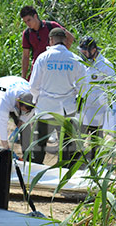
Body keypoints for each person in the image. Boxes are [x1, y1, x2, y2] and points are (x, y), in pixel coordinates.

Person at [28, 27, 86, 165]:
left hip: (45, 109)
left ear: (51, 40)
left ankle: (34, 174)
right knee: (66, 146)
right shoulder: (75, 59)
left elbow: (33, 86)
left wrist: (36, 99)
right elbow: (83, 87)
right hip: (66, 110)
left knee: (39, 145)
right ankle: (64, 176)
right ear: (65, 40)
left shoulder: (43, 58)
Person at [77, 36, 116, 161]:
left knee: (96, 139)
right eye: (82, 52)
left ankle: (96, 163)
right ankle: (78, 163)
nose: (84, 55)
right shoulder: (82, 65)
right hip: (83, 108)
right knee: (78, 138)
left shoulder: (105, 66)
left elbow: (114, 89)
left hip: (98, 109)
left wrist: (115, 114)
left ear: (94, 50)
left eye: (85, 52)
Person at [0, 76, 36, 160]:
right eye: (21, 109)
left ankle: (27, 157)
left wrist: (22, 122)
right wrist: (6, 147)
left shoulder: (33, 97)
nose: (22, 112)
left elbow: (31, 112)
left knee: (25, 129)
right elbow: (2, 122)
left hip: (15, 93)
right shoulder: (5, 98)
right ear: (18, 101)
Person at [20, 6, 75, 80]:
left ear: (35, 16)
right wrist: (23, 77)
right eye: (25, 22)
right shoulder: (27, 33)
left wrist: (62, 54)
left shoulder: (51, 26)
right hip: (37, 69)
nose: (27, 23)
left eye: (29, 20)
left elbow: (70, 37)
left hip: (53, 67)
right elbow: (25, 56)